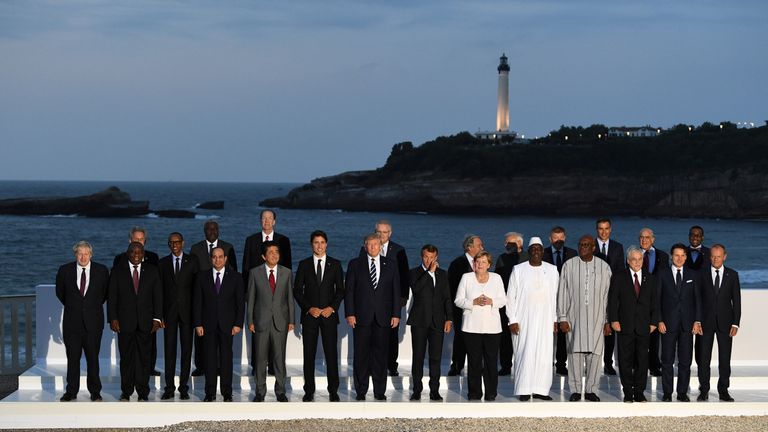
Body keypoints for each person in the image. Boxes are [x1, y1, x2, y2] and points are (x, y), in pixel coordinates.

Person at [345, 233, 401, 401]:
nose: (372, 247)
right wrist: (350, 313)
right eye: (369, 245)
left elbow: (396, 292)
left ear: (380, 246)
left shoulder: (391, 265)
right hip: (361, 317)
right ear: (365, 246)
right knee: (361, 355)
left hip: (383, 318)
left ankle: (379, 391)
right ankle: (361, 391)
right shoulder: (355, 264)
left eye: (376, 244)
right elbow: (349, 291)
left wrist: (396, 314)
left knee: (380, 356)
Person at [557, 234, 612, 402]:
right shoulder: (569, 265)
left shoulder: (604, 267)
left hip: (597, 319)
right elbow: (562, 293)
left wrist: (608, 320)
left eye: (587, 245)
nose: (583, 248)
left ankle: (591, 390)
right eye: (580, 245)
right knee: (574, 354)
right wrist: (562, 317)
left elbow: (608, 296)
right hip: (574, 318)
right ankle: (575, 390)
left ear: (594, 247)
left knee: (595, 356)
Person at [293, 230, 345, 402]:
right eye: (316, 242)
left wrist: (332, 307)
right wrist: (309, 308)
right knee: (309, 355)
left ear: (327, 244)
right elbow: (297, 291)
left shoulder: (335, 264)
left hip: (329, 317)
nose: (319, 245)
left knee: (331, 355)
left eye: (322, 242)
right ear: (311, 244)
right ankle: (309, 391)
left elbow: (341, 290)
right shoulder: (304, 264)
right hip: (310, 318)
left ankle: (333, 391)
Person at [107, 242, 163, 401]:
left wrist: (157, 318)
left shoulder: (152, 271)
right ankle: (126, 391)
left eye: (139, 252)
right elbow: (112, 297)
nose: (136, 255)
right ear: (127, 254)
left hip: (146, 323)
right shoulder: (117, 271)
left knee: (144, 359)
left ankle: (143, 392)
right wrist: (113, 318)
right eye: (133, 252)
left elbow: (158, 296)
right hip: (124, 323)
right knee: (126, 359)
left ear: (143, 253)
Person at [55, 241, 110, 402]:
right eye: (80, 253)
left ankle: (95, 392)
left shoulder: (101, 270)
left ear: (91, 255)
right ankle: (71, 392)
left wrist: (90, 306)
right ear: (75, 254)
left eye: (86, 253)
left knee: (93, 359)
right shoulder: (65, 270)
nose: (83, 257)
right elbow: (61, 293)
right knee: (73, 359)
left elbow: (105, 294)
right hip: (72, 323)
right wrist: (76, 306)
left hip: (93, 323)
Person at [507, 237, 560, 401]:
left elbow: (557, 296)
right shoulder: (518, 269)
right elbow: (511, 297)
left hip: (546, 320)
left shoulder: (552, 270)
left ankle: (541, 390)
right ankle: (524, 389)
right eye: (533, 249)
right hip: (524, 320)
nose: (536, 251)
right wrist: (512, 320)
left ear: (543, 251)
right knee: (525, 353)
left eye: (539, 249)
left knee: (544, 355)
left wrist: (555, 319)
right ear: (529, 251)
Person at [242, 209, 291, 375]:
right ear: (260, 221)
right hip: (258, 294)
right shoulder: (251, 240)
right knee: (258, 333)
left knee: (276, 337)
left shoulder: (283, 240)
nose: (267, 221)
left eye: (270, 218)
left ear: (274, 221)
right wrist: (248, 296)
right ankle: (257, 367)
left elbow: (288, 269)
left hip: (277, 294)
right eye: (264, 218)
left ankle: (274, 368)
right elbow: (246, 268)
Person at [608, 246, 659, 403]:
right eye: (634, 259)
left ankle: (639, 392)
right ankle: (628, 392)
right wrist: (614, 320)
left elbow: (655, 303)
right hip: (624, 326)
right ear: (628, 261)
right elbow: (612, 301)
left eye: (640, 259)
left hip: (644, 327)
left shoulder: (650, 278)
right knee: (625, 361)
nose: (637, 262)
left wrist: (654, 322)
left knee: (642, 361)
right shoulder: (619, 277)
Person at [193, 246, 244, 402]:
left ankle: (227, 392)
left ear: (226, 258)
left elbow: (240, 303)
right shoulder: (202, 277)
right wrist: (198, 324)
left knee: (226, 359)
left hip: (228, 325)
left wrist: (238, 324)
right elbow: (197, 303)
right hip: (207, 325)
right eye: (214, 257)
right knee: (209, 359)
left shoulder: (236, 277)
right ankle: (210, 393)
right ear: (211, 259)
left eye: (220, 256)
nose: (217, 259)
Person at [247, 241, 295, 402]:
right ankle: (260, 391)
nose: (274, 254)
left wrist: (291, 320)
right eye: (270, 252)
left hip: (280, 321)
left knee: (279, 358)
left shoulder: (287, 272)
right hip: (260, 321)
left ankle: (280, 391)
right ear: (263, 256)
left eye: (276, 251)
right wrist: (250, 321)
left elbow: (289, 298)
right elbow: (251, 299)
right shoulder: (255, 273)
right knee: (260, 359)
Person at [189, 219, 238, 377]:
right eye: (209, 229)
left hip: (222, 298)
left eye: (215, 229)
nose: (212, 232)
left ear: (219, 230)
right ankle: (200, 366)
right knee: (201, 337)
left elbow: (233, 272)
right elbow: (192, 273)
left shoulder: (228, 247)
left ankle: (218, 367)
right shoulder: (195, 248)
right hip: (204, 296)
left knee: (221, 341)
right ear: (204, 231)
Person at [454, 250, 506, 401]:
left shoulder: (496, 278)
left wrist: (491, 301)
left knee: (491, 362)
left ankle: (491, 393)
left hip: (492, 328)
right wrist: (472, 303)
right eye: (478, 262)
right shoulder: (466, 278)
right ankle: (474, 393)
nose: (480, 265)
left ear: (489, 264)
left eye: (484, 262)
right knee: (474, 362)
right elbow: (458, 300)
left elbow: (503, 300)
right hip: (471, 327)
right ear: (473, 264)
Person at [113, 226, 161, 376]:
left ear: (145, 241)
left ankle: (149, 370)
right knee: (127, 351)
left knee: (148, 346)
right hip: (126, 314)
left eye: (141, 239)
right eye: (136, 239)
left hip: (146, 313)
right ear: (130, 240)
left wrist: (158, 316)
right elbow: (114, 290)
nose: (139, 242)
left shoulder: (153, 258)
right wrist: (113, 317)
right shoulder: (120, 259)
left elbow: (156, 288)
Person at [696, 244, 741, 402]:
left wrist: (736, 323)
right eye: (713, 256)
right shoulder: (701, 274)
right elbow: (698, 300)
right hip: (705, 323)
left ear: (725, 256)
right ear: (710, 257)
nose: (716, 259)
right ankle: (704, 390)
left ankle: (723, 390)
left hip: (726, 324)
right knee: (704, 359)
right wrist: (697, 320)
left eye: (719, 256)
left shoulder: (732, 275)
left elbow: (736, 301)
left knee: (724, 359)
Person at [407, 244, 453, 401]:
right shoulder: (414, 273)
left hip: (438, 321)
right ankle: (417, 390)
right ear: (422, 257)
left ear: (436, 258)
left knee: (436, 357)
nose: (429, 260)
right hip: (419, 320)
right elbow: (417, 290)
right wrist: (429, 273)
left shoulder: (443, 274)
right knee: (418, 357)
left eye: (432, 257)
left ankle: (435, 390)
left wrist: (449, 318)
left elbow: (447, 298)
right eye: (426, 257)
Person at [158, 232, 199, 400]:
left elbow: (197, 291)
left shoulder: (193, 261)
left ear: (183, 243)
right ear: (168, 245)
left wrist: (197, 316)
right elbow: (159, 291)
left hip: (188, 314)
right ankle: (169, 387)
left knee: (186, 352)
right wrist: (159, 316)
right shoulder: (162, 263)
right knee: (169, 352)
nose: (174, 245)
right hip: (169, 315)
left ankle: (183, 387)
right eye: (171, 242)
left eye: (177, 242)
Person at [658, 243, 701, 402]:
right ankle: (667, 393)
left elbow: (698, 300)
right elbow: (657, 300)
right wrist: (659, 320)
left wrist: (697, 320)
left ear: (686, 256)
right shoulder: (662, 274)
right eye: (676, 255)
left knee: (685, 361)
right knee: (667, 360)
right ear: (671, 256)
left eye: (683, 255)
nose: (680, 258)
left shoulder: (693, 274)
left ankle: (682, 392)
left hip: (687, 325)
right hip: (667, 324)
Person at [375, 220, 409, 376]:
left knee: (392, 334)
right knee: (374, 333)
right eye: (379, 232)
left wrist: (403, 298)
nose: (381, 235)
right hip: (373, 300)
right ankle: (375, 364)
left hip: (392, 300)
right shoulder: (368, 247)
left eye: (384, 232)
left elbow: (404, 275)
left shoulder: (399, 250)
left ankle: (391, 365)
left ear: (390, 233)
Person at [447, 234, 484, 376]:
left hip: (479, 308)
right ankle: (457, 365)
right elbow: (452, 287)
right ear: (470, 247)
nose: (482, 247)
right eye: (479, 245)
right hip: (461, 308)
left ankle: (478, 366)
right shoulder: (458, 264)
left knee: (479, 338)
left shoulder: (482, 263)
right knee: (461, 337)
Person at [542, 226, 576, 376]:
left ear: (565, 238)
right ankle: (544, 363)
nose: (558, 241)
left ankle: (561, 364)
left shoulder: (572, 254)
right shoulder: (542, 254)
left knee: (563, 334)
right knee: (545, 333)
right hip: (546, 299)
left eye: (561, 238)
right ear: (550, 239)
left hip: (567, 300)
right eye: (555, 238)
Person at [593, 217, 625, 376]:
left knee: (610, 328)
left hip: (612, 293)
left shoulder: (618, 247)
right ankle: (592, 362)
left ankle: (608, 363)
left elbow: (620, 270)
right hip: (594, 294)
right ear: (596, 230)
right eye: (600, 228)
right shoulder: (589, 246)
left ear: (610, 229)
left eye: (606, 228)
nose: (603, 232)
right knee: (593, 329)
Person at [494, 232, 526, 376]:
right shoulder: (502, 258)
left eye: (510, 243)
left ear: (519, 244)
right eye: (506, 243)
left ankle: (523, 365)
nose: (506, 245)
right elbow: (497, 279)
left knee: (524, 336)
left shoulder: (528, 258)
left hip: (524, 303)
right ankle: (506, 366)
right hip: (506, 302)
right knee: (505, 338)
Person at [639, 227, 668, 377]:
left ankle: (654, 365)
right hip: (639, 301)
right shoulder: (634, 255)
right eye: (642, 237)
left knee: (655, 336)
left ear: (653, 239)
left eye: (647, 237)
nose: (644, 240)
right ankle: (639, 364)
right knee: (639, 335)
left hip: (657, 300)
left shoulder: (663, 256)